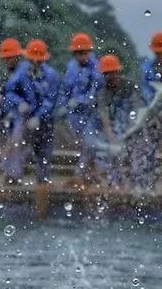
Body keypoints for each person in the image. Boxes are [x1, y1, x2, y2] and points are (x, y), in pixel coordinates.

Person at [94, 54, 144, 187]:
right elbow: (105, 119)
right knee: (111, 157)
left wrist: (130, 132)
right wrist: (113, 140)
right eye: (107, 74)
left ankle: (135, 187)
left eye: (113, 73)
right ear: (104, 75)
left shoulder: (130, 86)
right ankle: (114, 186)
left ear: (118, 72)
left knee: (136, 160)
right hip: (114, 132)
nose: (111, 77)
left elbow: (137, 109)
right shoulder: (102, 93)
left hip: (132, 128)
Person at [57, 32, 103, 176]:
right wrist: (63, 106)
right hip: (74, 115)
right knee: (82, 144)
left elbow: (96, 92)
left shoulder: (96, 68)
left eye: (84, 53)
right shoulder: (71, 67)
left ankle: (82, 174)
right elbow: (65, 89)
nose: (82, 57)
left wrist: (81, 101)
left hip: (91, 114)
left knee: (90, 143)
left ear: (89, 52)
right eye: (79, 53)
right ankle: (90, 174)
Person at [0, 38, 36, 183]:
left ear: (17, 56)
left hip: (21, 115)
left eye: (10, 58)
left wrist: (26, 108)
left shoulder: (24, 71)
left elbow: (31, 95)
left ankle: (15, 175)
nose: (8, 61)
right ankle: (8, 173)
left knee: (16, 144)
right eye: (5, 58)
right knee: (6, 143)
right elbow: (2, 92)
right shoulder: (5, 73)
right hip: (6, 115)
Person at [23, 39, 59, 184]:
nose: (35, 62)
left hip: (45, 120)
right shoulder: (23, 72)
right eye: (32, 60)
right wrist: (20, 103)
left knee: (44, 149)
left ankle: (42, 178)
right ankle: (15, 177)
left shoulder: (51, 75)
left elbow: (50, 100)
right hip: (26, 117)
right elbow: (12, 89)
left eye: (38, 60)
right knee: (24, 147)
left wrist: (38, 116)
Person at [140, 32, 162, 106]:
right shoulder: (146, 69)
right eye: (158, 53)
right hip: (153, 106)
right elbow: (144, 89)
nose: (160, 56)